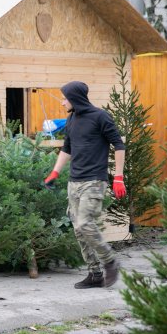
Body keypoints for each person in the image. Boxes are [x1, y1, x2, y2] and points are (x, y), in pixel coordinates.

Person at [44, 81, 126, 289]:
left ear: (75, 98)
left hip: (94, 180)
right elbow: (67, 148)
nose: (62, 102)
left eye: (65, 98)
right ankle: (95, 274)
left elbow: (118, 145)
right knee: (78, 230)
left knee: (85, 223)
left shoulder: (100, 117)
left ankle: (110, 261)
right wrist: (55, 172)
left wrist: (118, 176)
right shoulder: (72, 119)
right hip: (74, 182)